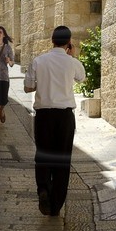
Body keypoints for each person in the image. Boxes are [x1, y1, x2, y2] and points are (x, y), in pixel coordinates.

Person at [23, 25, 85, 216]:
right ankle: (56, 204)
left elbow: (27, 87)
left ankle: (43, 188)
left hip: (44, 116)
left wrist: (43, 84)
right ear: (69, 42)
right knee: (62, 158)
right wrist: (72, 56)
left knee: (43, 154)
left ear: (52, 40)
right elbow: (81, 78)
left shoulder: (38, 61)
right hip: (64, 116)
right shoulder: (72, 62)